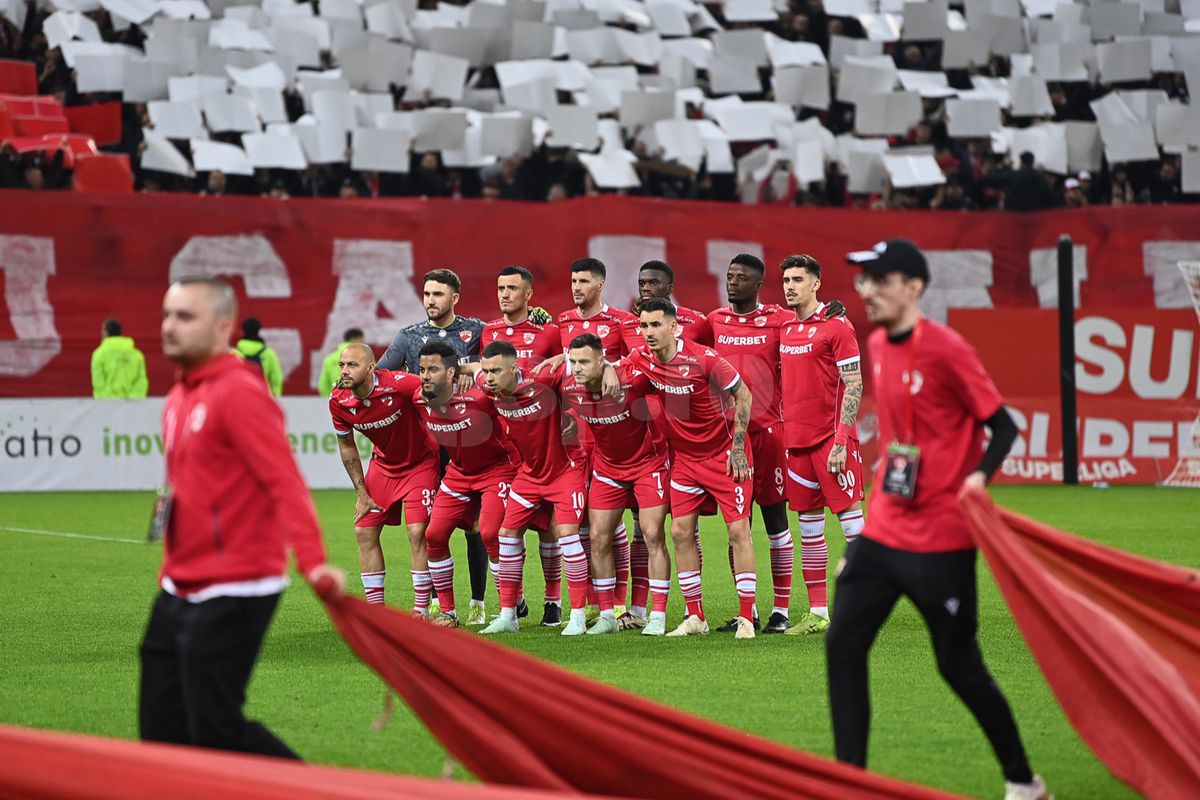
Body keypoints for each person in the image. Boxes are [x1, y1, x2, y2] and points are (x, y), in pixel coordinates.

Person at [830, 239, 1048, 800]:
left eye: (879, 280)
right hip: (884, 531)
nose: (867, 291)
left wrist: (978, 477)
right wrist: (860, 544)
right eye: (863, 280)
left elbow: (1003, 426)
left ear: (914, 288)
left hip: (941, 539)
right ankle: (847, 783)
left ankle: (1024, 781)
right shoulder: (877, 343)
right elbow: (899, 445)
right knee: (842, 646)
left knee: (958, 666)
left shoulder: (948, 350)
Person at [142, 276, 344, 760]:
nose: (169, 326)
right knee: (161, 729)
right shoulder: (178, 396)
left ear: (222, 327)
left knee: (216, 727)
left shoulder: (238, 393)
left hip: (237, 585)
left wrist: (313, 562)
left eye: (185, 316)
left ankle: (314, 790)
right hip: (178, 585)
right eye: (167, 314)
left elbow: (284, 481)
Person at [706, 255, 844, 633]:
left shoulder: (779, 319)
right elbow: (679, 331)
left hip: (769, 434)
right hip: (731, 437)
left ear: (758, 284)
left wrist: (833, 309)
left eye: (741, 278)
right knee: (738, 525)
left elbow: (813, 320)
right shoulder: (715, 320)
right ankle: (747, 611)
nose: (733, 282)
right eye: (730, 276)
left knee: (776, 523)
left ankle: (781, 611)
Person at [626, 299, 757, 639]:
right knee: (680, 532)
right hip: (685, 461)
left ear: (674, 327)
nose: (648, 332)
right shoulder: (642, 359)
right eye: (644, 326)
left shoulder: (704, 358)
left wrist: (738, 448)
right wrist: (565, 361)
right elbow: (609, 368)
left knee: (738, 532)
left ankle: (746, 617)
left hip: (724, 455)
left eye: (656, 325)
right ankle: (696, 616)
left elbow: (744, 395)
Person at [378, 269, 491, 625]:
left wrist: (469, 370)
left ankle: (478, 602)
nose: (430, 300)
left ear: (454, 297)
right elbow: (381, 375)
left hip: (467, 442)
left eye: (438, 294)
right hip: (427, 445)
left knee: (474, 525)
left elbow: (499, 363)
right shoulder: (408, 336)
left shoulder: (476, 330)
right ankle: (432, 602)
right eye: (427, 294)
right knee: (427, 526)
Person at [477, 340, 592, 637]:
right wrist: (468, 369)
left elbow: (589, 360)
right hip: (530, 474)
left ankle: (577, 616)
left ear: (514, 368)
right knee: (506, 534)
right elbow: (472, 369)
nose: (489, 378)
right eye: (487, 371)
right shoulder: (487, 385)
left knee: (568, 536)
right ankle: (508, 615)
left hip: (565, 469)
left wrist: (563, 356)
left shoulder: (542, 379)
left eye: (495, 371)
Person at [777, 254, 865, 636]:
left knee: (854, 527)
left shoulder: (837, 325)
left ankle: (866, 606)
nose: (790, 286)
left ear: (816, 284)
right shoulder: (785, 326)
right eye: (786, 280)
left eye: (798, 279)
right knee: (809, 529)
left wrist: (842, 440)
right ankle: (818, 613)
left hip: (831, 441)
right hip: (796, 443)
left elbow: (855, 383)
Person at [565, 333, 672, 636]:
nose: (577, 368)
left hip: (648, 464)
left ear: (601, 360)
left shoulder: (632, 380)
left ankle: (658, 615)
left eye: (584, 362)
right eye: (573, 362)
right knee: (598, 537)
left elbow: (659, 363)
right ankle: (608, 615)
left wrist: (615, 367)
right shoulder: (569, 386)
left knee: (652, 534)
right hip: (607, 469)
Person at [414, 340, 522, 628]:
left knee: (490, 533)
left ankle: (510, 610)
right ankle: (448, 612)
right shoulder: (418, 398)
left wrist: (473, 369)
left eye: (433, 369)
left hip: (497, 470)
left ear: (451, 373)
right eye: (422, 369)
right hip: (459, 474)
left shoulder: (481, 396)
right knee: (434, 535)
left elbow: (514, 387)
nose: (425, 376)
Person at [329, 343, 440, 614]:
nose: (344, 371)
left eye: (352, 365)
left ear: (371, 368)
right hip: (383, 466)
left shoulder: (399, 383)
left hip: (420, 464)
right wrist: (361, 493)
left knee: (417, 532)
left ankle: (421, 610)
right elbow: (347, 446)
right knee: (364, 531)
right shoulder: (338, 400)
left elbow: (432, 391)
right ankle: (376, 613)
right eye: (342, 365)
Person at [482, 266, 566, 626]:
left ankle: (553, 600)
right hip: (506, 447)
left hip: (545, 442)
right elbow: (483, 379)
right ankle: (513, 602)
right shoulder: (488, 331)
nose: (504, 294)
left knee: (548, 528)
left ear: (529, 294)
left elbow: (566, 375)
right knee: (498, 529)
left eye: (512, 288)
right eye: (500, 287)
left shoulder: (548, 331)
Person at [556, 257, 639, 617]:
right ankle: (594, 601)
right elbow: (555, 367)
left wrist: (612, 367)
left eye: (584, 281)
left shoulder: (620, 321)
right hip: (574, 434)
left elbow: (640, 358)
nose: (576, 287)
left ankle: (619, 603)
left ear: (600, 285)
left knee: (612, 522)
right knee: (584, 521)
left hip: (611, 433)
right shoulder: (562, 321)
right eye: (573, 280)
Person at [633, 260, 713, 346]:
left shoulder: (697, 321)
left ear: (670, 289)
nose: (645, 288)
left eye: (653, 283)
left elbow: (710, 353)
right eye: (641, 283)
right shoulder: (627, 323)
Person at [91, 318, 148, 398]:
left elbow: (98, 384)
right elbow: (141, 381)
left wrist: (110, 401)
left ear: (105, 332)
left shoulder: (98, 354)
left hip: (106, 404)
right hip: (133, 404)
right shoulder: (137, 355)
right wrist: (132, 401)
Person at [235, 317, 284, 396]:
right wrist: (275, 397)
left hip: (240, 397)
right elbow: (277, 379)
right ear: (259, 330)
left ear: (243, 331)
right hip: (262, 396)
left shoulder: (233, 354)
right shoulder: (269, 353)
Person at [317, 327, 364, 396]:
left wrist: (331, 399)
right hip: (356, 399)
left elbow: (323, 385)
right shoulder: (361, 357)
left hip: (336, 398)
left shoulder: (329, 359)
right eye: (361, 340)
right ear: (355, 339)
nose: (363, 343)